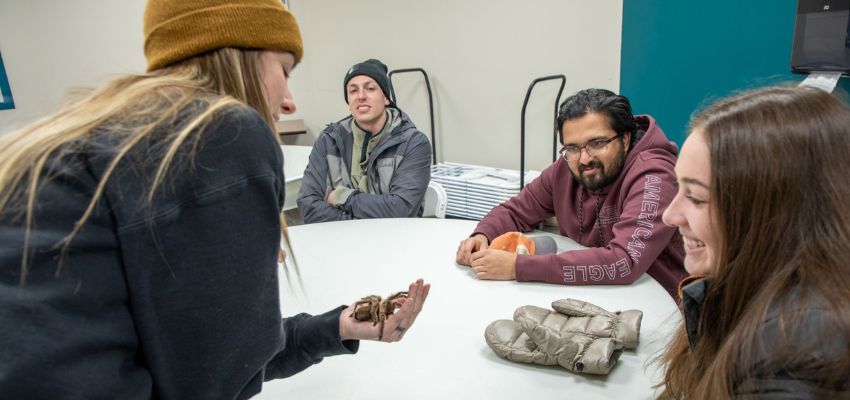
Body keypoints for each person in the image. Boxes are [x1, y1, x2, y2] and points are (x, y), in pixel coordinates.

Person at [0, 1, 429, 398]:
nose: (287, 100)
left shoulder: (85, 145)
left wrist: (338, 327)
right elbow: (219, 378)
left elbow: (208, 348)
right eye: (285, 68)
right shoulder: (224, 132)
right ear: (243, 56)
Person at [659, 86, 850, 398]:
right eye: (678, 188)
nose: (670, 215)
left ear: (772, 211)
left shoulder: (795, 355)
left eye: (695, 197)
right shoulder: (753, 292)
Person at [456, 88, 686, 299]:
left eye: (597, 143)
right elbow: (515, 211)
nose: (584, 159)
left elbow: (624, 262)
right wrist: (482, 235)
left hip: (659, 305)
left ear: (625, 140)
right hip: (592, 294)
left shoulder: (654, 174)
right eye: (573, 148)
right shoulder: (566, 167)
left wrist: (518, 266)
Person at [296, 59, 432, 223]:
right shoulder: (328, 141)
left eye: (370, 88)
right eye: (353, 91)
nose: (361, 96)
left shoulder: (413, 143)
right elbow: (308, 206)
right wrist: (354, 223)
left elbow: (401, 209)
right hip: (341, 241)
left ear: (386, 98)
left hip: (397, 241)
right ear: (348, 102)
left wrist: (342, 197)